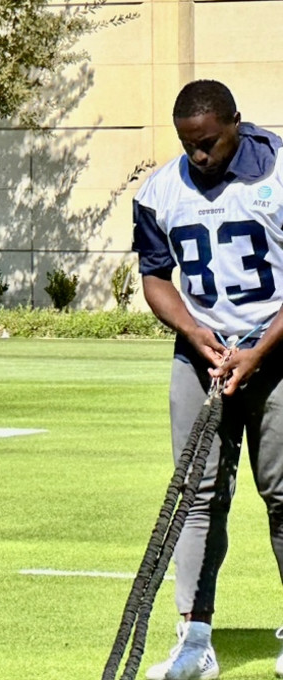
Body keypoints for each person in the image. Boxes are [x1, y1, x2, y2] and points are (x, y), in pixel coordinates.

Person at [133, 79, 283, 680]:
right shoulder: (160, 190)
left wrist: (258, 351)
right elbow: (156, 278)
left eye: (210, 142)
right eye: (188, 144)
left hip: (276, 352)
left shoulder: (277, 174)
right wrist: (195, 335)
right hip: (203, 358)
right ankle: (194, 640)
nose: (198, 155)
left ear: (236, 124)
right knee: (196, 500)